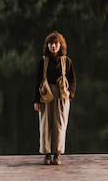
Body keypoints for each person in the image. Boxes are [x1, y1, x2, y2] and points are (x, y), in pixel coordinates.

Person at [33, 31, 76, 165]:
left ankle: (57, 154)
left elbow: (73, 80)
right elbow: (38, 81)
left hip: (61, 96)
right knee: (45, 124)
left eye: (56, 43)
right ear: (48, 45)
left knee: (60, 125)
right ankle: (47, 154)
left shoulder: (67, 61)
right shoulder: (43, 61)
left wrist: (70, 94)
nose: (53, 46)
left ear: (60, 45)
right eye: (51, 43)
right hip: (46, 95)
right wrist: (36, 100)